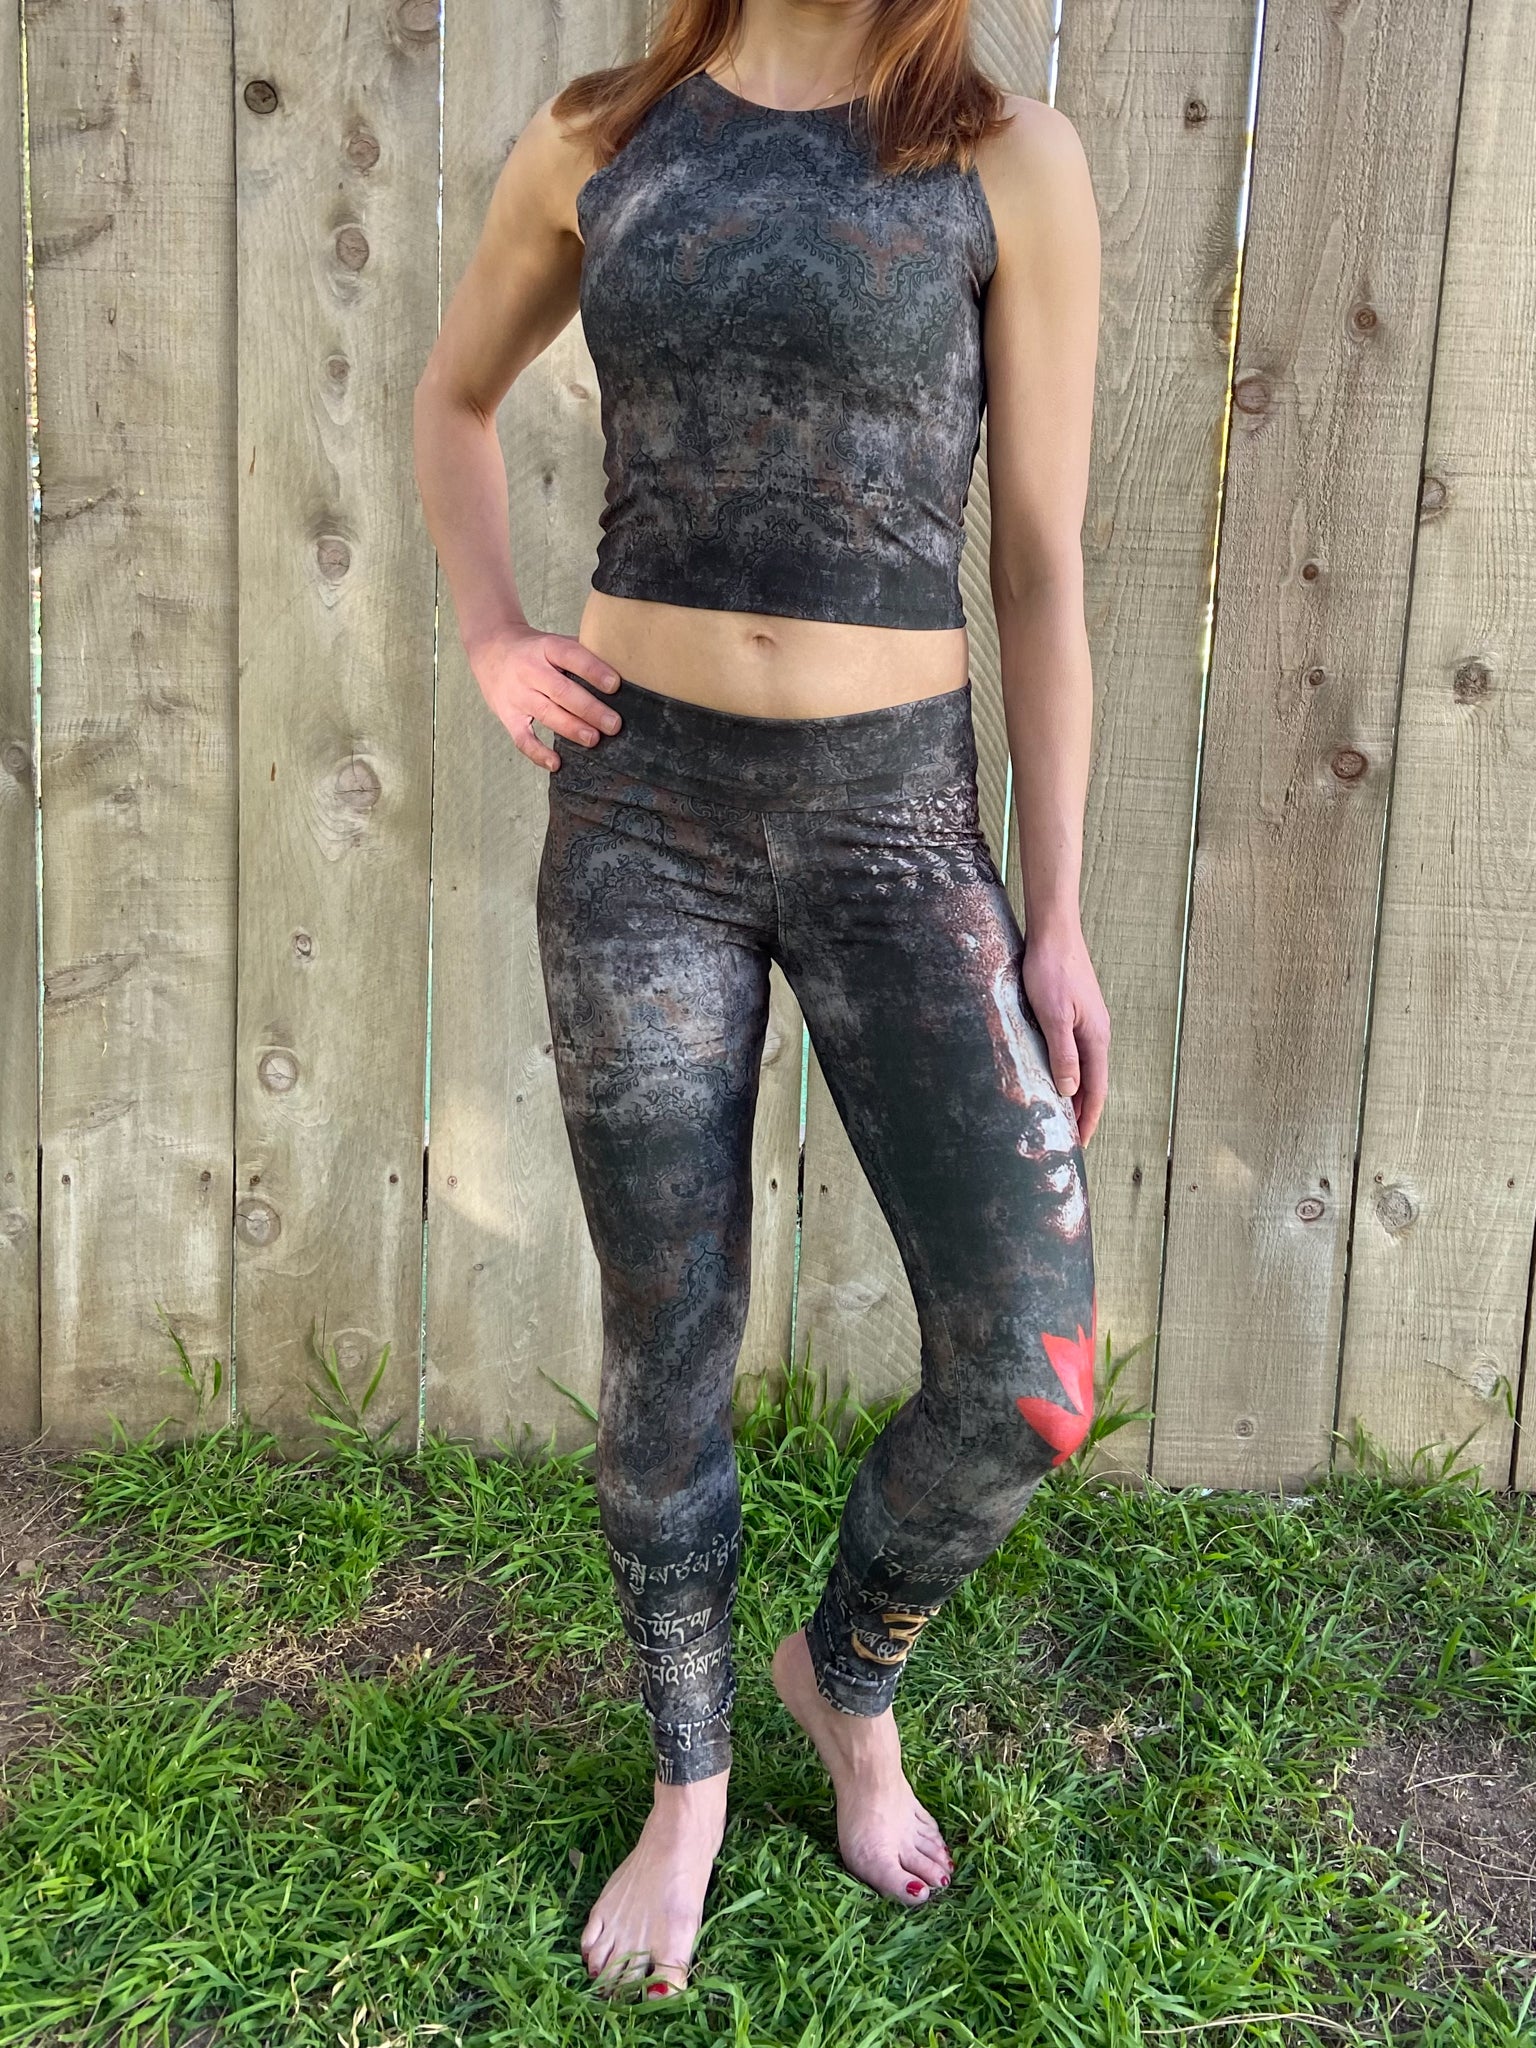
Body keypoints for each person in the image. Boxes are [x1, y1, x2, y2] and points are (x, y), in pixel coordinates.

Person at [413, 0, 1106, 2002]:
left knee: (1034, 1367)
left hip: (899, 829)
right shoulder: (599, 138)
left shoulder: (1003, 160)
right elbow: (454, 401)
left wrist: (1056, 915)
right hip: (644, 822)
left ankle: (842, 1675)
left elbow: (1040, 565)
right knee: (669, 1344)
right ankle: (693, 1780)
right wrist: (492, 631)